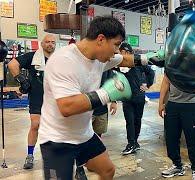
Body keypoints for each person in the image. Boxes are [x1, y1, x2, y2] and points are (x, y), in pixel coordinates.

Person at [38, 15, 161, 180]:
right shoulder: (63, 60)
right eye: (116, 45)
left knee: (107, 170)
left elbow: (124, 59)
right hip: (57, 139)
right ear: (101, 39)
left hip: (84, 134)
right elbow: (67, 107)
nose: (117, 51)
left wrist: (152, 58)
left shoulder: (100, 57)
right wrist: (107, 93)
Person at [8, 34, 56, 169]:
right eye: (47, 42)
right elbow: (12, 64)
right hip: (37, 97)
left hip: (55, 99)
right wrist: (21, 79)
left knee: (55, 128)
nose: (50, 44)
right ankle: (30, 155)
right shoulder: (33, 57)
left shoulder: (60, 59)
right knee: (35, 125)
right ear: (42, 44)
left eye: (53, 42)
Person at [158, 75, 195, 180]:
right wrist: (161, 103)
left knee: (193, 139)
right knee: (171, 138)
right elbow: (166, 81)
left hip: (193, 104)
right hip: (173, 104)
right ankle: (177, 165)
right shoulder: (172, 60)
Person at [75, 70, 118, 180]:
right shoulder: (82, 65)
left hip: (101, 109)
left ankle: (91, 159)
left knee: (98, 135)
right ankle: (79, 169)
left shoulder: (105, 64)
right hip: (85, 110)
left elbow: (112, 82)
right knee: (82, 140)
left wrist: (114, 101)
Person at [119, 43, 155, 155]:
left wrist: (147, 85)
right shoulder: (117, 64)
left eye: (125, 52)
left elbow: (151, 72)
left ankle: (135, 142)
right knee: (129, 121)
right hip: (127, 98)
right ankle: (131, 143)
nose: (122, 55)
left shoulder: (137, 63)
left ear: (130, 53)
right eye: (121, 52)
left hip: (139, 97)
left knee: (137, 120)